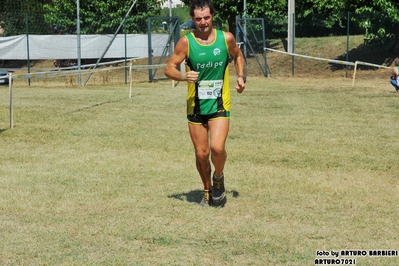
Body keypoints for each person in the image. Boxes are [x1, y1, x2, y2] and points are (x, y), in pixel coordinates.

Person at [164, 0, 246, 207]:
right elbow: (169, 68)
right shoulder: (186, 42)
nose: (203, 22)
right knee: (202, 154)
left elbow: (238, 55)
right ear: (192, 19)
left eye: (206, 17)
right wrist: (184, 76)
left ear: (212, 17)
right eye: (198, 19)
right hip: (196, 105)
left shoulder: (225, 38)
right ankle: (207, 190)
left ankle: (219, 178)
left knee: (217, 148)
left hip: (219, 103)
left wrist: (241, 76)